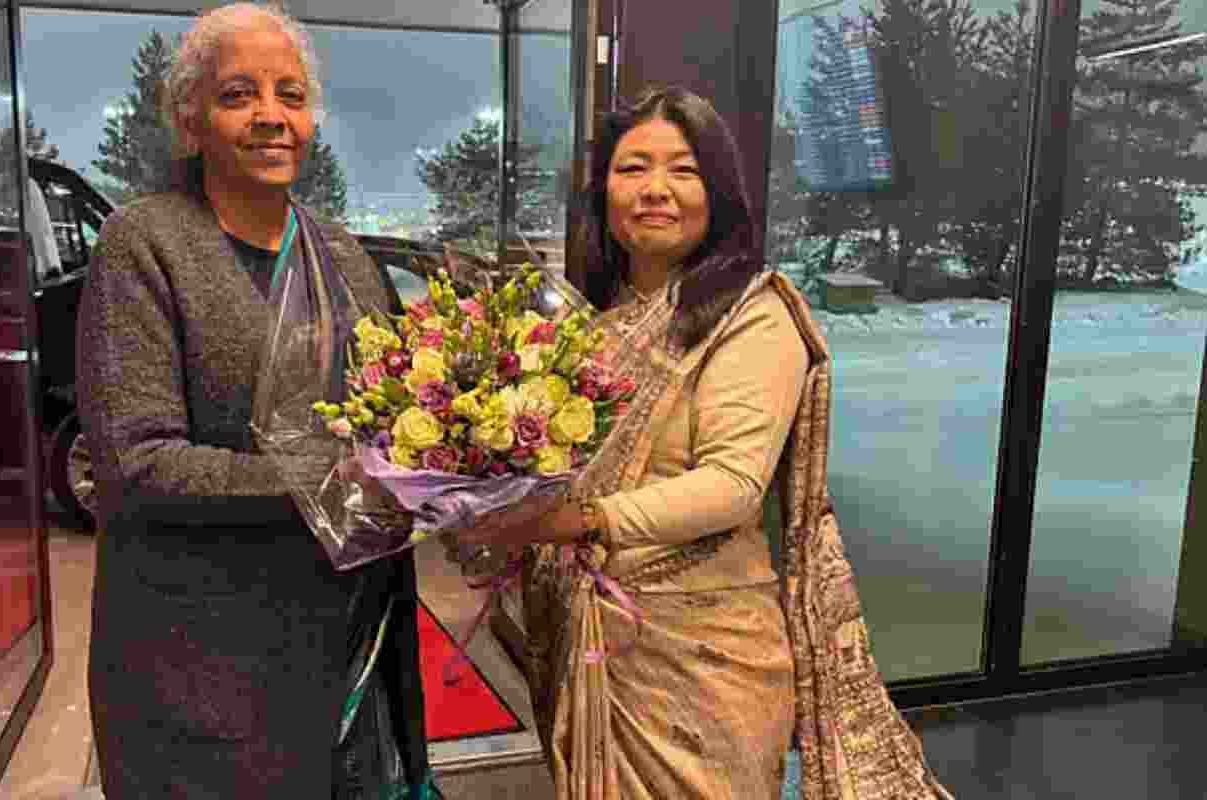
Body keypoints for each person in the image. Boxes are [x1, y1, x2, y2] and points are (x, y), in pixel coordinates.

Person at [75, 4, 438, 798]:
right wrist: (341, 487)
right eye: (239, 94)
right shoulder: (147, 245)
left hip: (347, 633)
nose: (272, 116)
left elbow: (400, 416)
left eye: (291, 94)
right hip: (206, 654)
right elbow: (136, 462)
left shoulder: (340, 252)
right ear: (189, 119)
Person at [460, 85, 810, 797]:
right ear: (603, 194)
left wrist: (576, 521)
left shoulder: (753, 313)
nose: (656, 190)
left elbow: (734, 485)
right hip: (587, 636)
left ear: (719, 191)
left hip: (698, 657)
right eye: (632, 170)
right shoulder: (602, 319)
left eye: (683, 170)